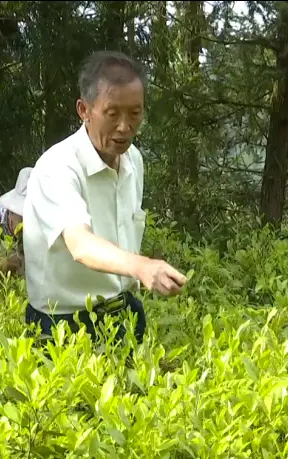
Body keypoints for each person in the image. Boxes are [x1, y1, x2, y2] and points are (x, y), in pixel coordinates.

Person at [22, 50, 187, 344]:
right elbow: (80, 244)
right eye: (113, 114)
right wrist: (142, 266)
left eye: (135, 113)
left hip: (124, 313)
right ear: (84, 110)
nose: (125, 126)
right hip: (63, 326)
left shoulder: (133, 160)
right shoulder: (57, 167)